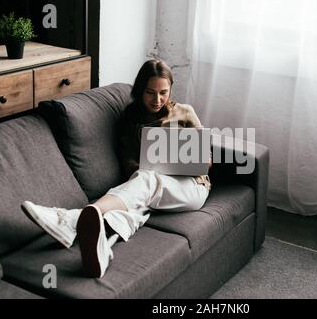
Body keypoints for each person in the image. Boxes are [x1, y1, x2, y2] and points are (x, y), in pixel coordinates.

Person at [21, 59, 211, 278]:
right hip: (151, 188)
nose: (157, 100)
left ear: (171, 90)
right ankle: (102, 250)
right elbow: (128, 165)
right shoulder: (131, 118)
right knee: (134, 209)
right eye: (150, 92)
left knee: (147, 180)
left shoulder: (185, 112)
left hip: (192, 186)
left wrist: (177, 160)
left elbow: (207, 161)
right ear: (140, 90)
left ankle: (70, 219)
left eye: (163, 93)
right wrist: (152, 163)